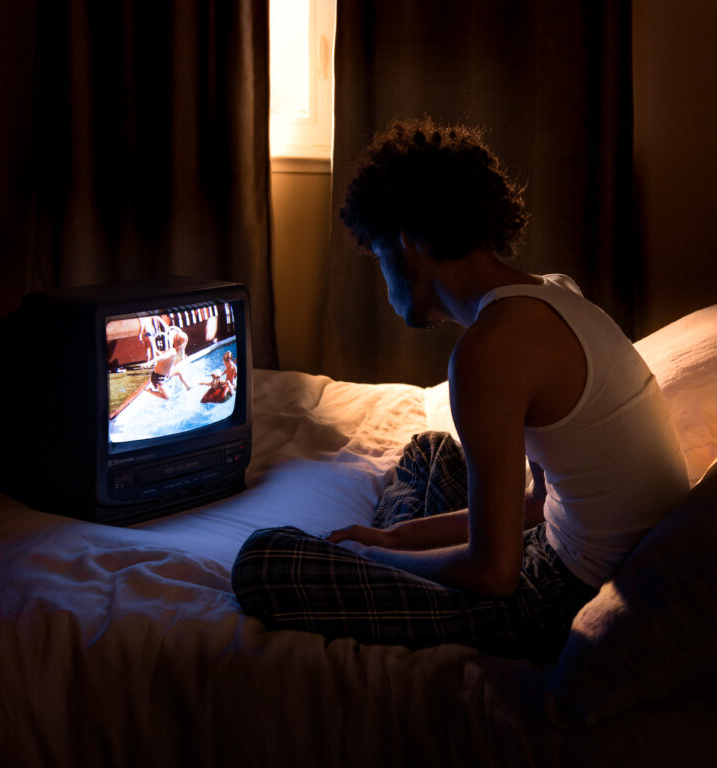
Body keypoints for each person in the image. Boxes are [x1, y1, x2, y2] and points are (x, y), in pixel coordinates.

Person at [231, 117, 690, 662]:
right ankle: (396, 536)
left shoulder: (488, 352)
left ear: (407, 246)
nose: (385, 281)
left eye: (380, 260)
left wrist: (373, 559)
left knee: (263, 560)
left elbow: (495, 575)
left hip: (553, 601)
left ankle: (386, 555)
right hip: (562, 545)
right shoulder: (553, 293)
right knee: (431, 451)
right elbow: (540, 503)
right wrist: (396, 540)